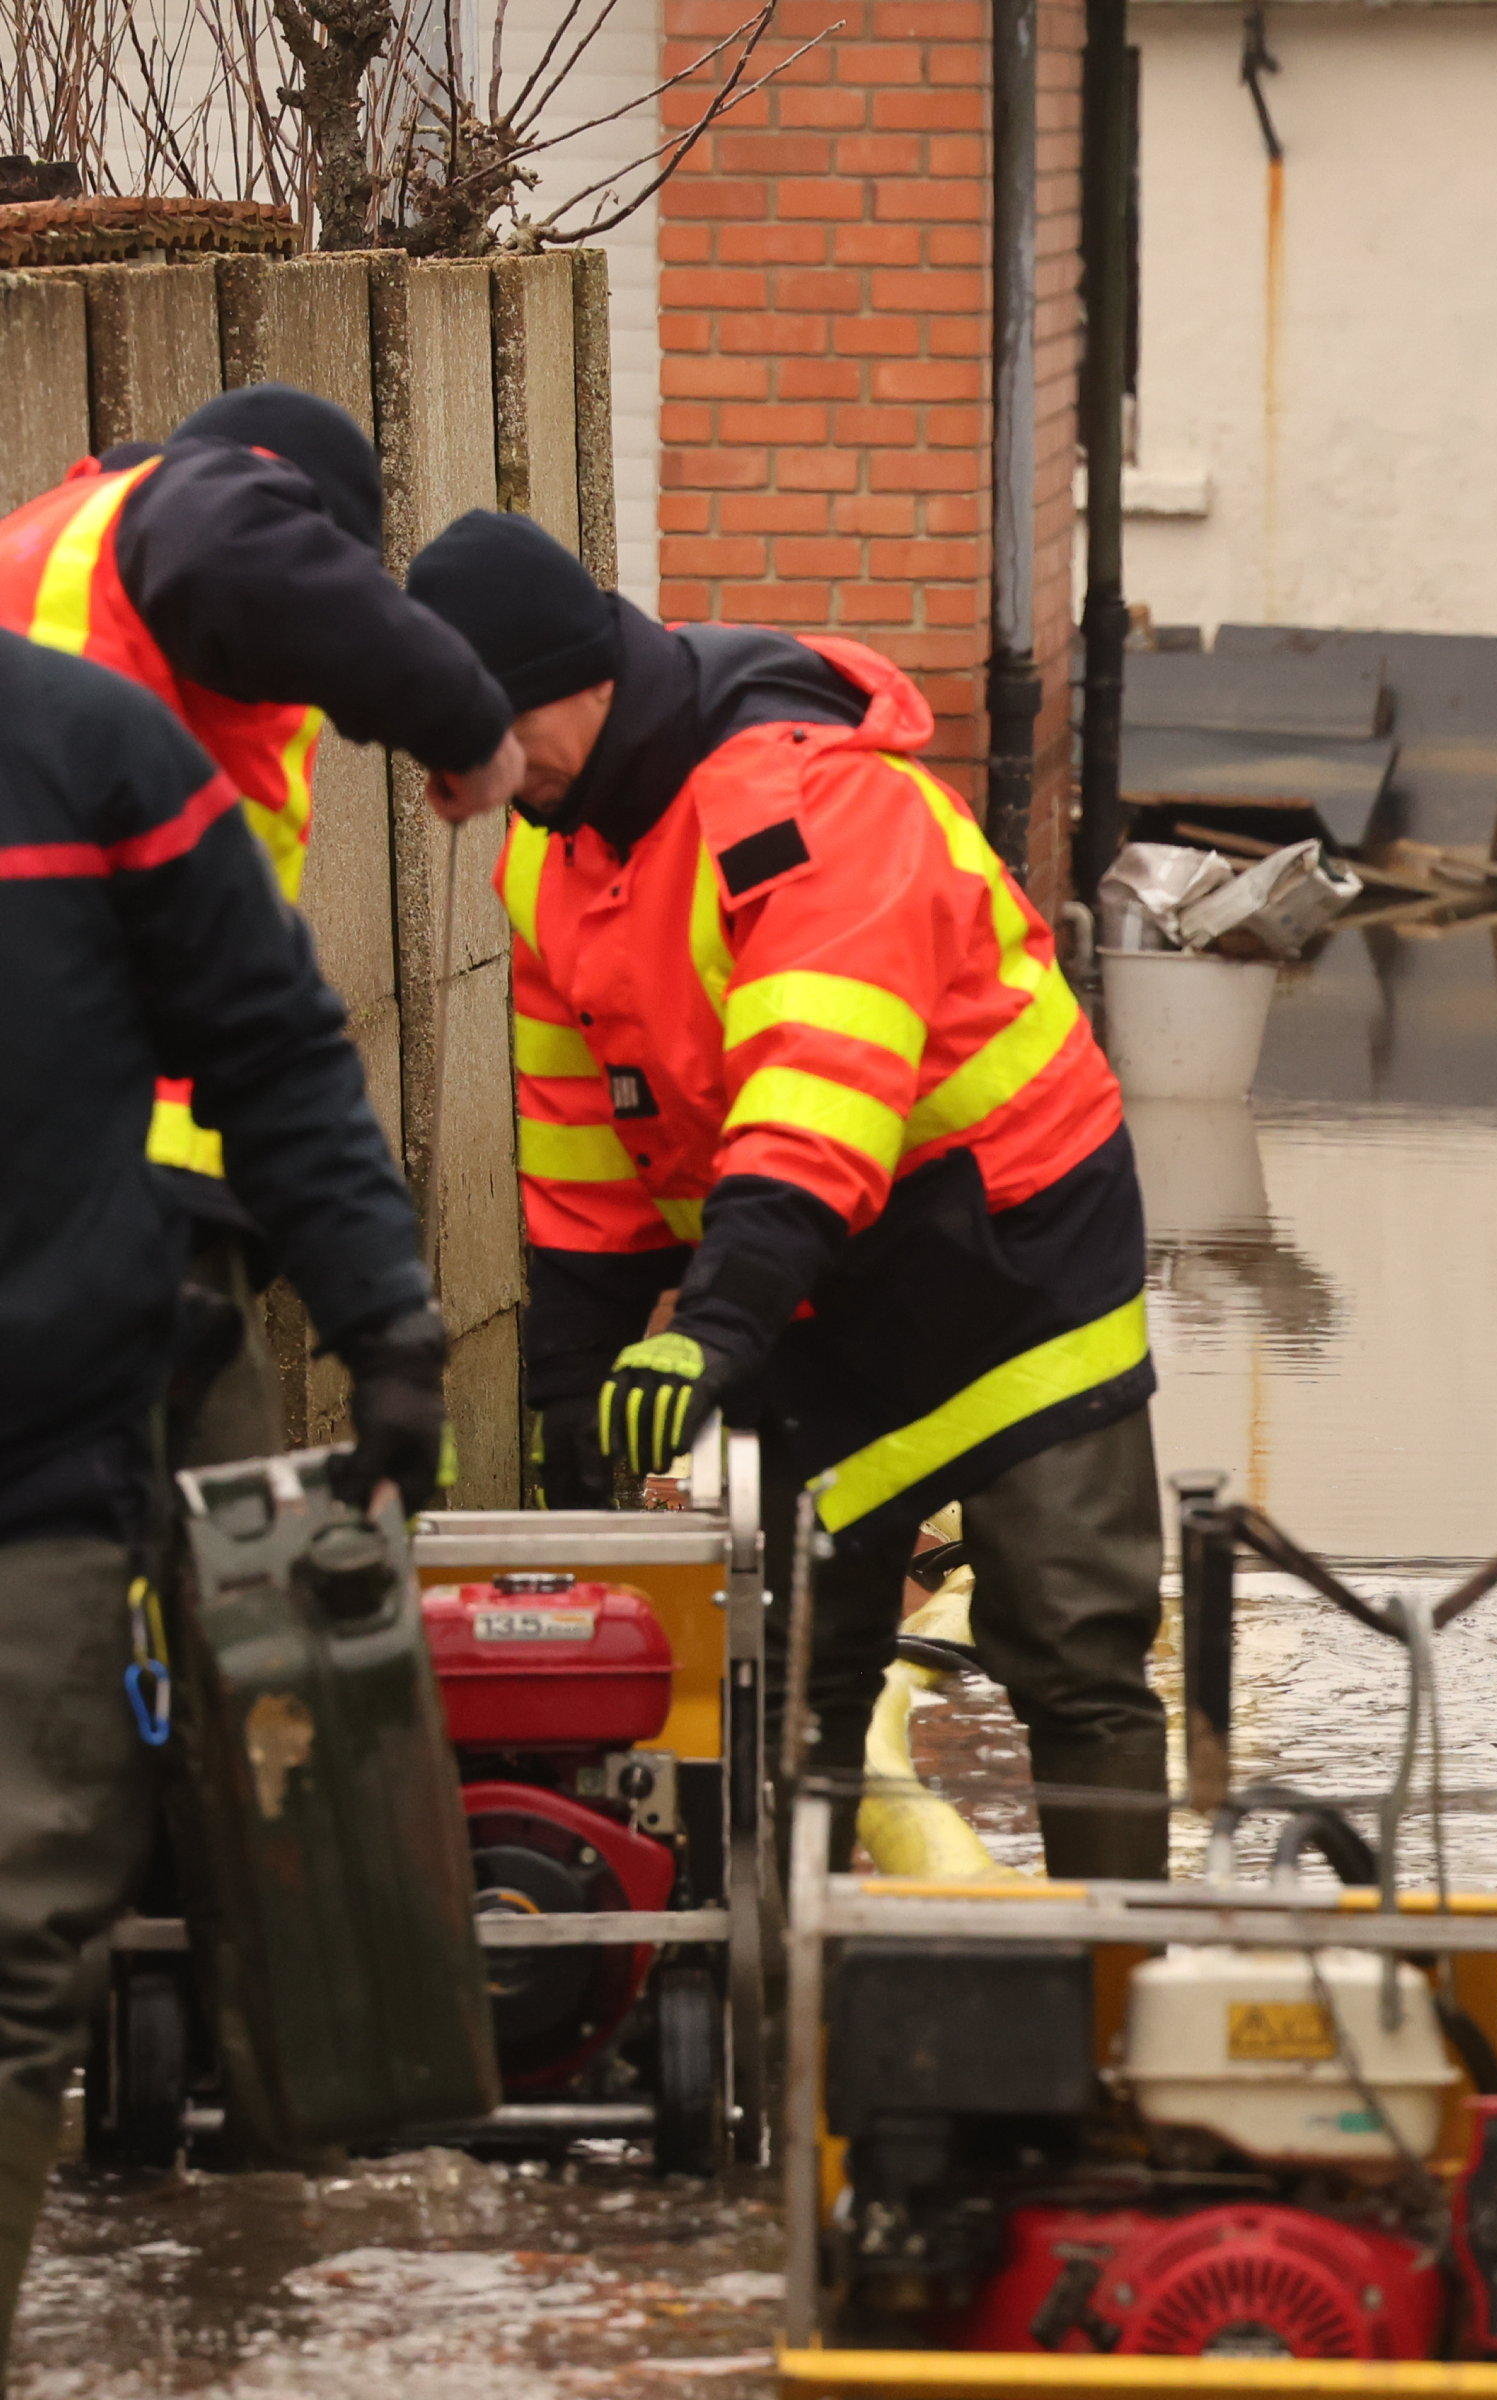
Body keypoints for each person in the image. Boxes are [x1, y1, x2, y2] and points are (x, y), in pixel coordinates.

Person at [400, 509, 1172, 1878]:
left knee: (1068, 1644)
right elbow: (585, 1137)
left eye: (462, 740)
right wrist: (574, 1404)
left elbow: (820, 1095)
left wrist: (714, 1326)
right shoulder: (550, 843)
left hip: (1009, 1250)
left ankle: (1119, 2006)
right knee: (793, 1664)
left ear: (559, 686)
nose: (446, 788)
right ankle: (778, 2020)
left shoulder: (810, 803)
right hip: (809, 1265)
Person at [0, 627, 445, 2363]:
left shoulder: (93, 756)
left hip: (42, 1461)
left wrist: (386, 1327)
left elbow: (271, 1051)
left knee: (22, 1938)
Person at [0, 383, 523, 1469]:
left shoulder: (49, 540)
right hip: (127, 1171)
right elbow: (235, 551)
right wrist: (467, 724)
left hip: (52, 1142)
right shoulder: (196, 508)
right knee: (209, 1550)